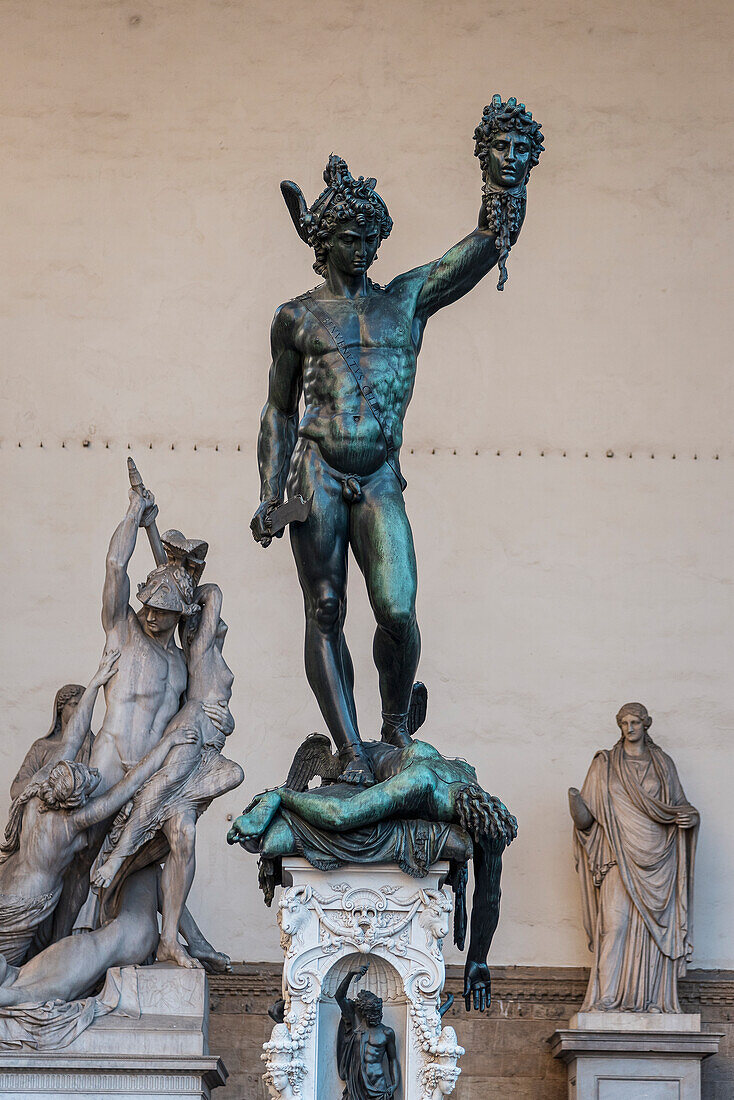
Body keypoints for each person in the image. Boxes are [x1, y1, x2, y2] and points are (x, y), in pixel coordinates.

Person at [251, 99, 544, 785]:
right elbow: (276, 409)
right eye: (348, 236)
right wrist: (270, 490)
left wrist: (506, 181)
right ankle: (350, 750)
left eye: (369, 235)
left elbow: (480, 248)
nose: (362, 246)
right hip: (317, 472)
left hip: (379, 473)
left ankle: (391, 726)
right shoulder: (295, 317)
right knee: (325, 608)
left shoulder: (404, 301)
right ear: (322, 243)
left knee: (399, 610)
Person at [228, 738, 517, 1011]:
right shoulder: (423, 783)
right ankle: (276, 796)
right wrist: (283, 797)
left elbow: (489, 896)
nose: (478, 849)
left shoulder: (474, 789)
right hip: (361, 767)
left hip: (404, 771)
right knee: (342, 822)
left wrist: (479, 959)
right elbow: (341, 814)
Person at [92, 583, 244, 968]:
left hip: (210, 742)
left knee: (188, 834)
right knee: (158, 794)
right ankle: (117, 859)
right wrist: (187, 587)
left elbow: (218, 705)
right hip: (191, 731)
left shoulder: (194, 658)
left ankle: (171, 939)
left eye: (164, 610)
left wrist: (229, 721)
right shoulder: (200, 646)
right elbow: (213, 592)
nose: (217, 625)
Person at [0, 677, 195, 966]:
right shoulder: (72, 821)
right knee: (8, 977)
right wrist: (168, 742)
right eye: (87, 779)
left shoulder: (36, 798)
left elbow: (71, 740)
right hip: (29, 904)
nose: (93, 775)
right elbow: (127, 787)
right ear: (73, 799)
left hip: (9, 888)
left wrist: (97, 681)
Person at [569, 703, 699, 1013]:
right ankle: (607, 999)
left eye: (635, 722)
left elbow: (680, 806)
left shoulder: (663, 764)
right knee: (615, 925)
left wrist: (690, 818)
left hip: (659, 860)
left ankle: (654, 1000)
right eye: (624, 722)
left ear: (646, 725)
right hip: (617, 854)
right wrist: (575, 802)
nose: (629, 728)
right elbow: (587, 822)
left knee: (654, 932)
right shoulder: (605, 764)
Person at [335, 961, 399, 1100]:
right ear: (364, 1013)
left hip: (379, 1086)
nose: (376, 1017)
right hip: (355, 1085)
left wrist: (394, 1084)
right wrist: (351, 973)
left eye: (378, 1012)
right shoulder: (356, 1024)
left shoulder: (387, 1033)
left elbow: (392, 1060)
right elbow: (339, 997)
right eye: (372, 1013)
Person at [10, 683, 87, 800]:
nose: (80, 710)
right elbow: (16, 790)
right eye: (74, 704)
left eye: (83, 705)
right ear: (61, 708)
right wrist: (51, 780)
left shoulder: (96, 745)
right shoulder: (42, 747)